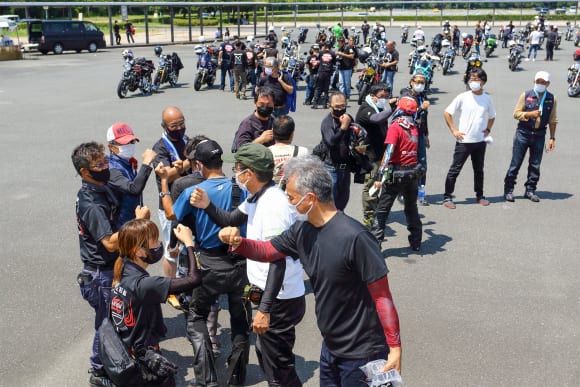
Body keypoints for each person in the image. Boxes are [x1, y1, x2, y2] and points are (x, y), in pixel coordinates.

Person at [218, 156, 402, 386]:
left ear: (310, 199)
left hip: (363, 351)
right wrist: (238, 242)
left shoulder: (356, 237)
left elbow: (382, 296)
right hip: (331, 346)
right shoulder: (302, 229)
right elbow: (267, 251)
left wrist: (394, 348)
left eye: (291, 197)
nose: (287, 201)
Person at [190, 143, 306, 386]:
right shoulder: (256, 197)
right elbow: (232, 218)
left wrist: (264, 309)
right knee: (268, 356)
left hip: (280, 299)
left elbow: (277, 261)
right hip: (267, 292)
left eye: (238, 168)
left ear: (250, 174)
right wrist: (207, 206)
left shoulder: (273, 205)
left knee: (278, 366)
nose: (235, 173)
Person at [172, 139, 251, 387]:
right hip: (240, 262)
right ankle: (237, 376)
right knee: (240, 319)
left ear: (198, 165)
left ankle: (207, 379)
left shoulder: (193, 192)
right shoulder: (242, 189)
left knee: (197, 316)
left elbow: (177, 218)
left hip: (209, 263)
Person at [71, 142, 149, 387]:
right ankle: (98, 371)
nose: (105, 167)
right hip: (100, 274)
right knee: (106, 324)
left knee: (115, 320)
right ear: (85, 172)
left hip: (108, 269)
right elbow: (110, 243)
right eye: (99, 165)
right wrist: (136, 224)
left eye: (105, 162)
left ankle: (110, 363)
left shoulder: (102, 187)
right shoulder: (90, 204)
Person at [110, 219, 202, 386]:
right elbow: (194, 279)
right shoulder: (144, 285)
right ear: (138, 251)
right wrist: (189, 243)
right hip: (145, 362)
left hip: (128, 351)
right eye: (155, 241)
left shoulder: (122, 267)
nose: (159, 244)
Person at [155, 136, 222, 356]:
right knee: (210, 295)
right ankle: (212, 337)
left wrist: (173, 245)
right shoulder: (227, 183)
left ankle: (196, 336)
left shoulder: (183, 185)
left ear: (193, 161)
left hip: (189, 248)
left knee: (188, 290)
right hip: (217, 250)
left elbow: (175, 217)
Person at [371, 97, 423, 249]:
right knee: (411, 209)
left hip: (396, 173)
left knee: (382, 211)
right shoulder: (414, 126)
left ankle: (376, 244)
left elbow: (389, 151)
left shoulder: (396, 126)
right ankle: (416, 242)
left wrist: (380, 175)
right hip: (412, 173)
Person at [442, 68, 496, 209]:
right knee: (455, 169)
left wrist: (488, 129)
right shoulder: (463, 97)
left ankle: (480, 195)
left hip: (480, 141)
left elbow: (492, 116)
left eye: (476, 79)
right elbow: (447, 112)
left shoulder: (487, 98)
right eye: (471, 79)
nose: (473, 82)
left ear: (483, 81)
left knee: (479, 170)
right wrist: (454, 130)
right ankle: (447, 196)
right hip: (464, 141)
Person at [504, 71, 557, 203]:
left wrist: (552, 138)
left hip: (539, 134)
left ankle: (530, 190)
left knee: (535, 164)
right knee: (516, 163)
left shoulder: (551, 98)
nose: (540, 84)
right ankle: (509, 190)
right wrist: (529, 115)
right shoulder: (526, 95)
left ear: (548, 84)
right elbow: (516, 114)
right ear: (534, 81)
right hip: (523, 133)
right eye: (538, 81)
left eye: (543, 82)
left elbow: (553, 119)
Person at [152, 107, 191, 278]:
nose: (179, 128)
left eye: (182, 123)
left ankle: (186, 280)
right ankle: (170, 288)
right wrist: (188, 163)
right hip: (170, 206)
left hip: (189, 201)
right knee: (172, 248)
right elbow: (166, 175)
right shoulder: (159, 148)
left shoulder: (187, 140)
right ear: (164, 127)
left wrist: (183, 167)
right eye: (174, 125)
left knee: (189, 243)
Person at [355, 83, 396, 226]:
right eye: (381, 96)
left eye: (386, 96)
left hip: (382, 154)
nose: (385, 99)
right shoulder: (365, 109)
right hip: (370, 156)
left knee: (383, 183)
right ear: (372, 96)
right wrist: (392, 108)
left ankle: (377, 210)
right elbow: (377, 119)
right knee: (372, 186)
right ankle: (369, 216)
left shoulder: (379, 106)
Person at [106, 122, 156, 228]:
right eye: (124, 143)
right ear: (111, 147)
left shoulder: (128, 162)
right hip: (121, 227)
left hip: (134, 221)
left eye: (131, 141)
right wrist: (146, 163)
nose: (129, 145)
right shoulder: (112, 169)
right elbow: (134, 189)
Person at [400, 71, 431, 206]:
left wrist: (426, 134)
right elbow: (407, 113)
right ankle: (402, 191)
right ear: (411, 82)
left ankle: (420, 192)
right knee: (407, 163)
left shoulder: (423, 96)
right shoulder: (405, 95)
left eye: (422, 82)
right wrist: (419, 109)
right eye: (417, 82)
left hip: (420, 134)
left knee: (422, 164)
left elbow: (424, 118)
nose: (420, 85)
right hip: (408, 134)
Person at [319, 92, 353, 211]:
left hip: (345, 168)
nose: (340, 109)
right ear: (330, 106)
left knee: (343, 199)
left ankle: (339, 222)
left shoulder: (347, 118)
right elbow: (331, 142)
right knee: (331, 203)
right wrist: (343, 128)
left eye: (343, 106)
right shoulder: (327, 123)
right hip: (331, 167)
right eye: (337, 106)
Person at [268, 115, 309, 187]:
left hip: (272, 192)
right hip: (294, 193)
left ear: (273, 132)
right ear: (292, 133)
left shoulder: (266, 152)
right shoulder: (303, 152)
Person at [232, 87, 276, 152]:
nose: (265, 107)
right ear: (255, 103)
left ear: (273, 104)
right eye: (262, 104)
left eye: (268, 104)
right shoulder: (247, 124)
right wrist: (261, 139)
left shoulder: (275, 121)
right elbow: (241, 150)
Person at [311, 42, 336, 109]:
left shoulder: (321, 52)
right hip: (328, 72)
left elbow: (317, 59)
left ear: (325, 46)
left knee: (318, 88)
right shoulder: (333, 53)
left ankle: (315, 104)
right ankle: (325, 104)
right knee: (326, 89)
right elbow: (334, 62)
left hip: (321, 71)